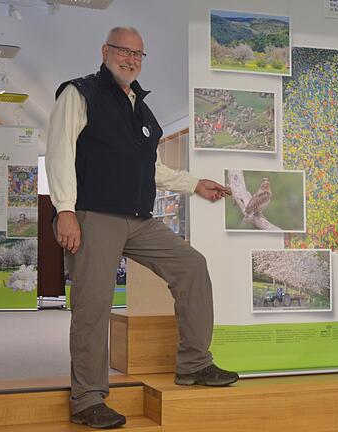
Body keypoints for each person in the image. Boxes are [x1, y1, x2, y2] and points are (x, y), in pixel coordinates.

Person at [46, 26, 238, 429]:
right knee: (93, 305)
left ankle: (195, 364)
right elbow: (60, 152)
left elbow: (150, 167)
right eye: (123, 51)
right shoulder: (79, 94)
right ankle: (87, 399)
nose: (130, 59)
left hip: (139, 219)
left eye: (138, 54)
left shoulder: (141, 109)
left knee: (191, 266)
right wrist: (64, 210)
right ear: (105, 51)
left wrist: (194, 185)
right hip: (93, 216)